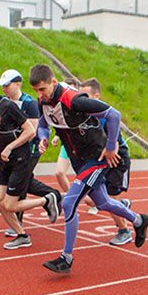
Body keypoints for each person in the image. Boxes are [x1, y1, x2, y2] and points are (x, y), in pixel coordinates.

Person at [29, 64, 148, 274]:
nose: (40, 95)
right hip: (79, 159)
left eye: (42, 89)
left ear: (53, 83)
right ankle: (139, 220)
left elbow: (114, 115)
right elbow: (42, 124)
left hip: (97, 157)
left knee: (68, 202)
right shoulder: (44, 101)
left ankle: (66, 258)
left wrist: (112, 146)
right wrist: (43, 138)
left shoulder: (74, 100)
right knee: (102, 202)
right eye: (36, 91)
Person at [0, 74, 59, 250]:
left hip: (20, 158)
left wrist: (10, 147)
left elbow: (30, 131)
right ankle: (22, 235)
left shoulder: (8, 106)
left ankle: (47, 200)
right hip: (2, 160)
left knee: (10, 204)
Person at [0, 69, 62, 237]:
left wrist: (40, 141)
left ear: (17, 84)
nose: (4, 88)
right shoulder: (3, 103)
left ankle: (17, 222)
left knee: (19, 183)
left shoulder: (29, 103)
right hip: (12, 150)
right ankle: (51, 195)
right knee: (24, 181)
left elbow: (32, 130)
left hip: (29, 150)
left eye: (7, 85)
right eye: (2, 85)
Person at [79, 78, 133, 245]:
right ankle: (121, 205)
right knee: (94, 196)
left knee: (107, 198)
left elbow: (114, 143)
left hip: (116, 159)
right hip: (100, 159)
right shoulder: (84, 115)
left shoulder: (104, 115)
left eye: (86, 97)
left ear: (97, 96)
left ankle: (124, 230)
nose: (83, 102)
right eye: (81, 97)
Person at [53, 76, 98, 215]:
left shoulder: (81, 105)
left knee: (93, 197)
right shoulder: (59, 103)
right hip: (68, 145)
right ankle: (72, 202)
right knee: (59, 172)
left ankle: (118, 207)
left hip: (86, 147)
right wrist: (55, 136)